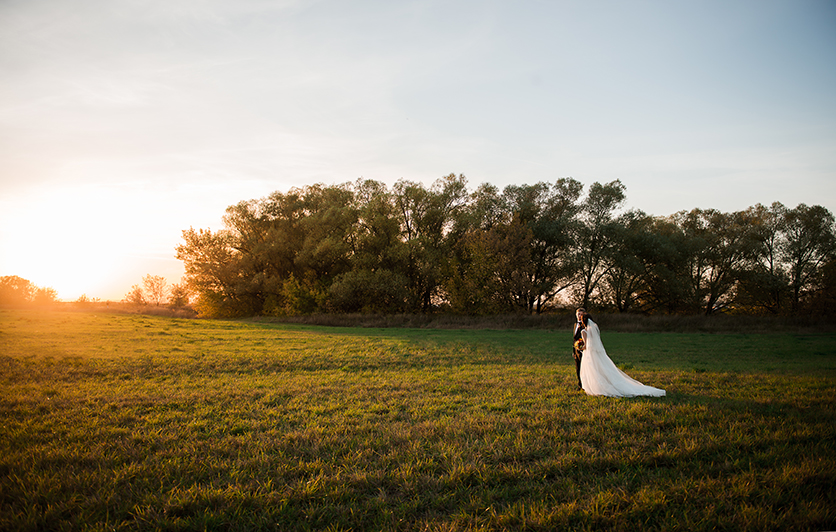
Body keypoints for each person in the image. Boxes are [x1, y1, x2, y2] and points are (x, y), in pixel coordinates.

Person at [577, 310, 665, 398]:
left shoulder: (584, 331)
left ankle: (596, 387)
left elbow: (586, 346)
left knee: (592, 370)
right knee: (600, 369)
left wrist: (579, 347)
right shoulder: (594, 329)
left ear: (584, 321)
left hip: (589, 354)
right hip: (596, 353)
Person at [571, 308, 586, 389]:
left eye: (581, 314)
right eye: (578, 314)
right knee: (578, 368)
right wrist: (574, 351)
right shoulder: (575, 324)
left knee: (583, 368)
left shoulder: (585, 325)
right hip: (576, 349)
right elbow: (574, 339)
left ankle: (584, 385)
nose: (579, 316)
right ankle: (580, 384)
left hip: (583, 349)